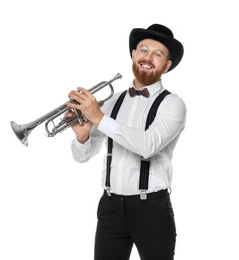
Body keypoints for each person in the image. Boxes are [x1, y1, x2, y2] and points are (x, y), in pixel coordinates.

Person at [66, 24, 186, 260]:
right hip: (110, 207)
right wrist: (82, 137)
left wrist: (99, 117)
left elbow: (146, 145)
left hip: (151, 209)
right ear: (133, 54)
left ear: (167, 65)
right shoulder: (113, 101)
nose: (147, 58)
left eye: (157, 54)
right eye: (142, 50)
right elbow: (82, 156)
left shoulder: (173, 104)